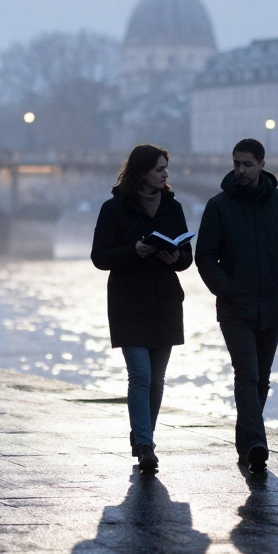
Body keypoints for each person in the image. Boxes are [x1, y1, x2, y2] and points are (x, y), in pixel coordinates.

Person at [195, 138, 278, 472]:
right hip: (235, 308)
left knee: (261, 379)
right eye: (236, 164)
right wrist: (226, 290)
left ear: (261, 164)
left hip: (273, 305)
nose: (240, 170)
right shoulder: (219, 206)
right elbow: (205, 256)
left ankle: (246, 439)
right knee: (246, 373)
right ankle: (258, 442)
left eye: (247, 164)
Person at [91, 144, 193, 475]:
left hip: (164, 300)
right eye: (160, 169)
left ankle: (143, 435)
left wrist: (175, 257)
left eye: (166, 168)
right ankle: (145, 446)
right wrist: (134, 250)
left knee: (157, 380)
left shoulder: (173, 208)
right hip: (128, 302)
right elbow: (100, 257)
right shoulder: (113, 209)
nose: (166, 174)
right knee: (141, 375)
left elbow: (187, 257)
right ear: (142, 172)